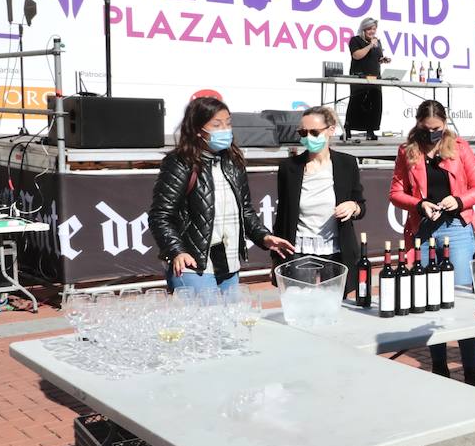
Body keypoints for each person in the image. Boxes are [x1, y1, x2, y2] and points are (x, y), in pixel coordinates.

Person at [389, 100, 475, 385]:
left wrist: (458, 201)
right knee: (432, 298)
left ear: (445, 124)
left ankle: (470, 370)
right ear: (418, 124)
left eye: (437, 128)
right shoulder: (407, 150)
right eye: (426, 128)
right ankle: (440, 368)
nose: (432, 133)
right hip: (423, 229)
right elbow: (395, 192)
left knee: (460, 300)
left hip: (457, 227)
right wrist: (419, 205)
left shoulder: (460, 148)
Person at [149, 96, 294, 292]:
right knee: (201, 321)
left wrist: (265, 237)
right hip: (194, 264)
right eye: (217, 125)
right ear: (198, 129)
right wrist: (177, 251)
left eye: (228, 123)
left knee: (230, 321)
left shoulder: (233, 161)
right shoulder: (180, 162)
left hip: (229, 262)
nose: (225, 130)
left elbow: (246, 211)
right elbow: (160, 215)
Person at [272, 106, 366, 296]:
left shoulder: (347, 163)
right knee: (298, 303)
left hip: (335, 249)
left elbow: (360, 205)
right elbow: (282, 215)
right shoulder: (289, 168)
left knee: (333, 303)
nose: (308, 137)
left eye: (314, 132)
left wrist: (353, 207)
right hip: (298, 249)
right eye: (303, 132)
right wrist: (275, 258)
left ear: (330, 130)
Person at [345, 17, 389, 141]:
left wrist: (383, 60)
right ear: (364, 28)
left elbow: (377, 58)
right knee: (357, 102)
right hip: (359, 76)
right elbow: (357, 55)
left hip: (375, 77)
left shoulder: (377, 42)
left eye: (374, 29)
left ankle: (371, 130)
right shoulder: (355, 40)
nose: (372, 31)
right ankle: (348, 128)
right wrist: (370, 45)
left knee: (374, 103)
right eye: (370, 29)